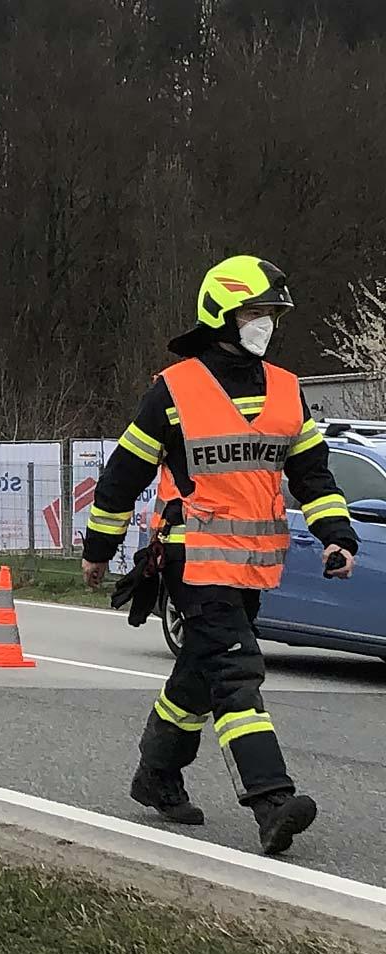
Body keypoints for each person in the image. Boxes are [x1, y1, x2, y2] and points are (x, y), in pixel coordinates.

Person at [82, 255, 357, 855]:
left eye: (272, 313)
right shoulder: (174, 389)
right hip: (194, 560)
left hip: (254, 565)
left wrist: (337, 534)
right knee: (236, 673)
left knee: (199, 676)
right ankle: (272, 802)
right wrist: (99, 549)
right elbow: (124, 474)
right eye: (256, 311)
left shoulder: (286, 389)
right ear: (222, 315)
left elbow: (312, 475)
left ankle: (156, 775)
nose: (266, 324)